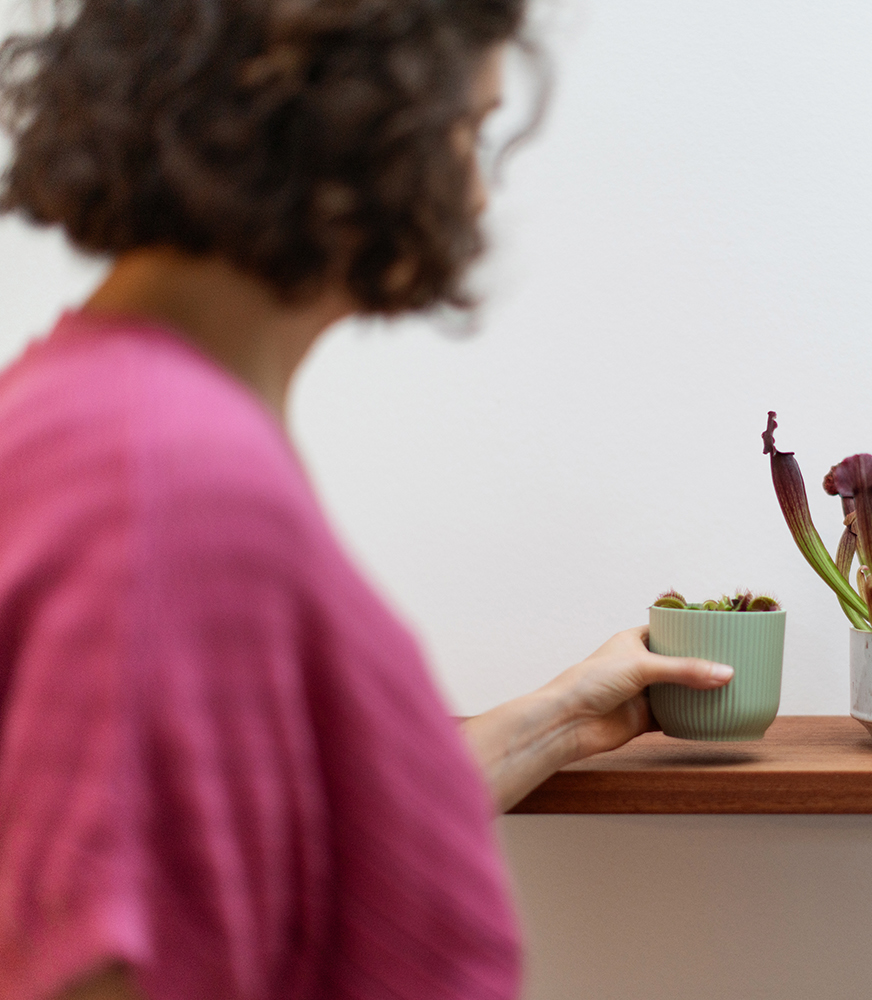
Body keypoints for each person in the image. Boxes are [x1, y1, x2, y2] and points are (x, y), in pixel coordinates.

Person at [0, 2, 734, 998]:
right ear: (341, 118)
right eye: (468, 132)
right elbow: (92, 956)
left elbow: (285, 830)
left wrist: (558, 721)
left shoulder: (95, 415)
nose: (475, 193)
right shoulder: (173, 482)